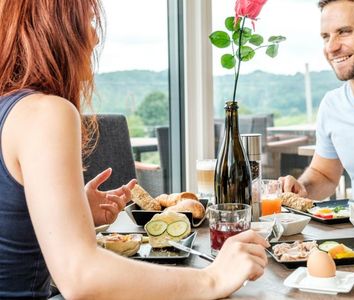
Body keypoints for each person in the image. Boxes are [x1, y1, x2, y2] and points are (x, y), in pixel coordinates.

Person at [0, 0, 269, 299]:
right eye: (89, 21)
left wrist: (72, 211)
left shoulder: (9, 109)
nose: (96, 37)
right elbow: (81, 276)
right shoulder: (45, 112)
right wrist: (212, 279)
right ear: (58, 28)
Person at [280, 0, 354, 201]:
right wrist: (302, 188)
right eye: (326, 36)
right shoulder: (332, 105)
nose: (331, 47)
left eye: (344, 32)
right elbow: (324, 174)